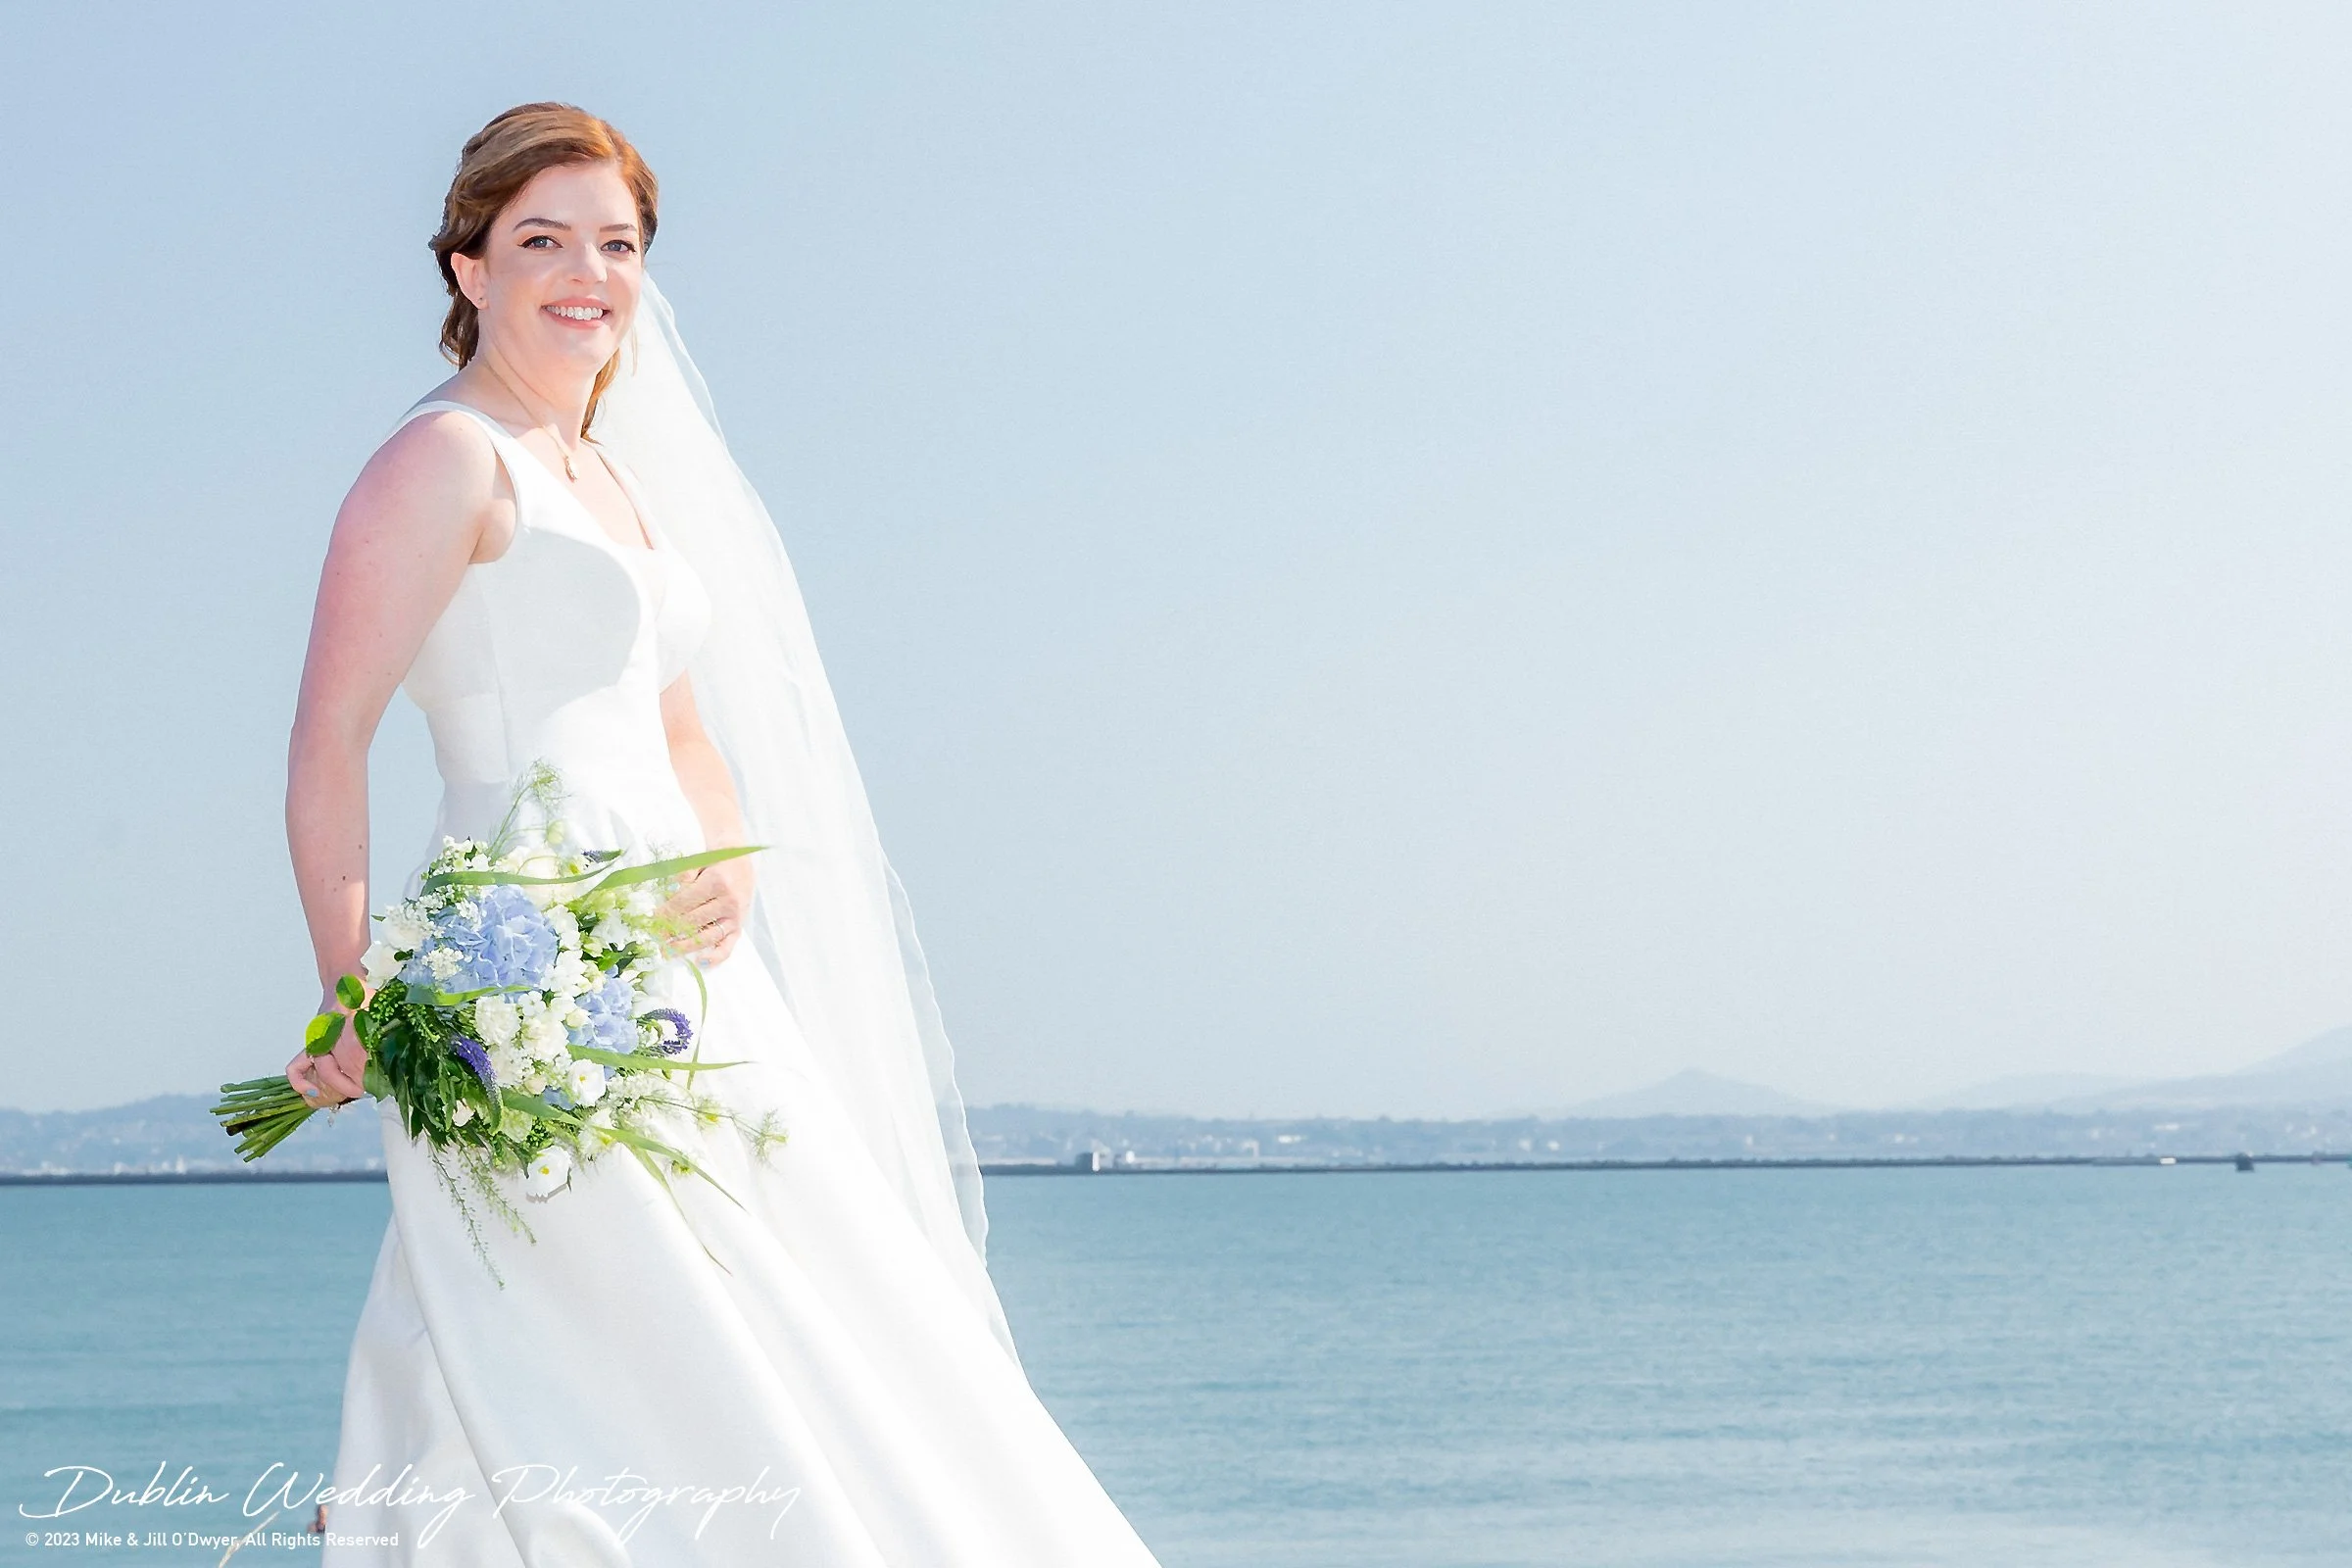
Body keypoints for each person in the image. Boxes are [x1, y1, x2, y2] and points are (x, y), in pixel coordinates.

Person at [283, 101, 1164, 1564]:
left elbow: (681, 729)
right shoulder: (442, 465)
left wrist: (722, 864)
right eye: (541, 240)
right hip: (520, 969)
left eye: (617, 244)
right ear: (466, 267)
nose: (588, 273)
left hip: (681, 979)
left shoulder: (618, 482)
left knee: (791, 1307)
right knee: (569, 1324)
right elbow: (328, 740)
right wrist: (351, 979)